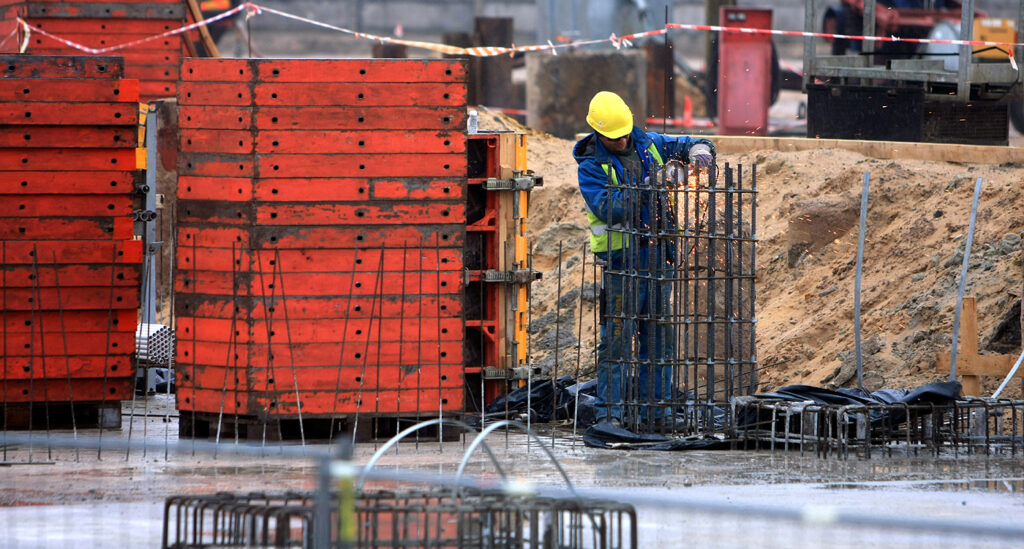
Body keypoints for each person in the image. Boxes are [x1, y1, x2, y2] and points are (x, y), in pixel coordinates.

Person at [572, 90, 715, 429]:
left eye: (625, 132)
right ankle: (610, 415)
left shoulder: (647, 142)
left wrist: (700, 150)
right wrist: (650, 185)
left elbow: (689, 142)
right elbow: (611, 207)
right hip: (622, 263)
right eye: (614, 136)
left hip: (656, 256)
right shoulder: (591, 167)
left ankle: (659, 415)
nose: (622, 140)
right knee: (617, 342)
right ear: (599, 133)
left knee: (659, 341)